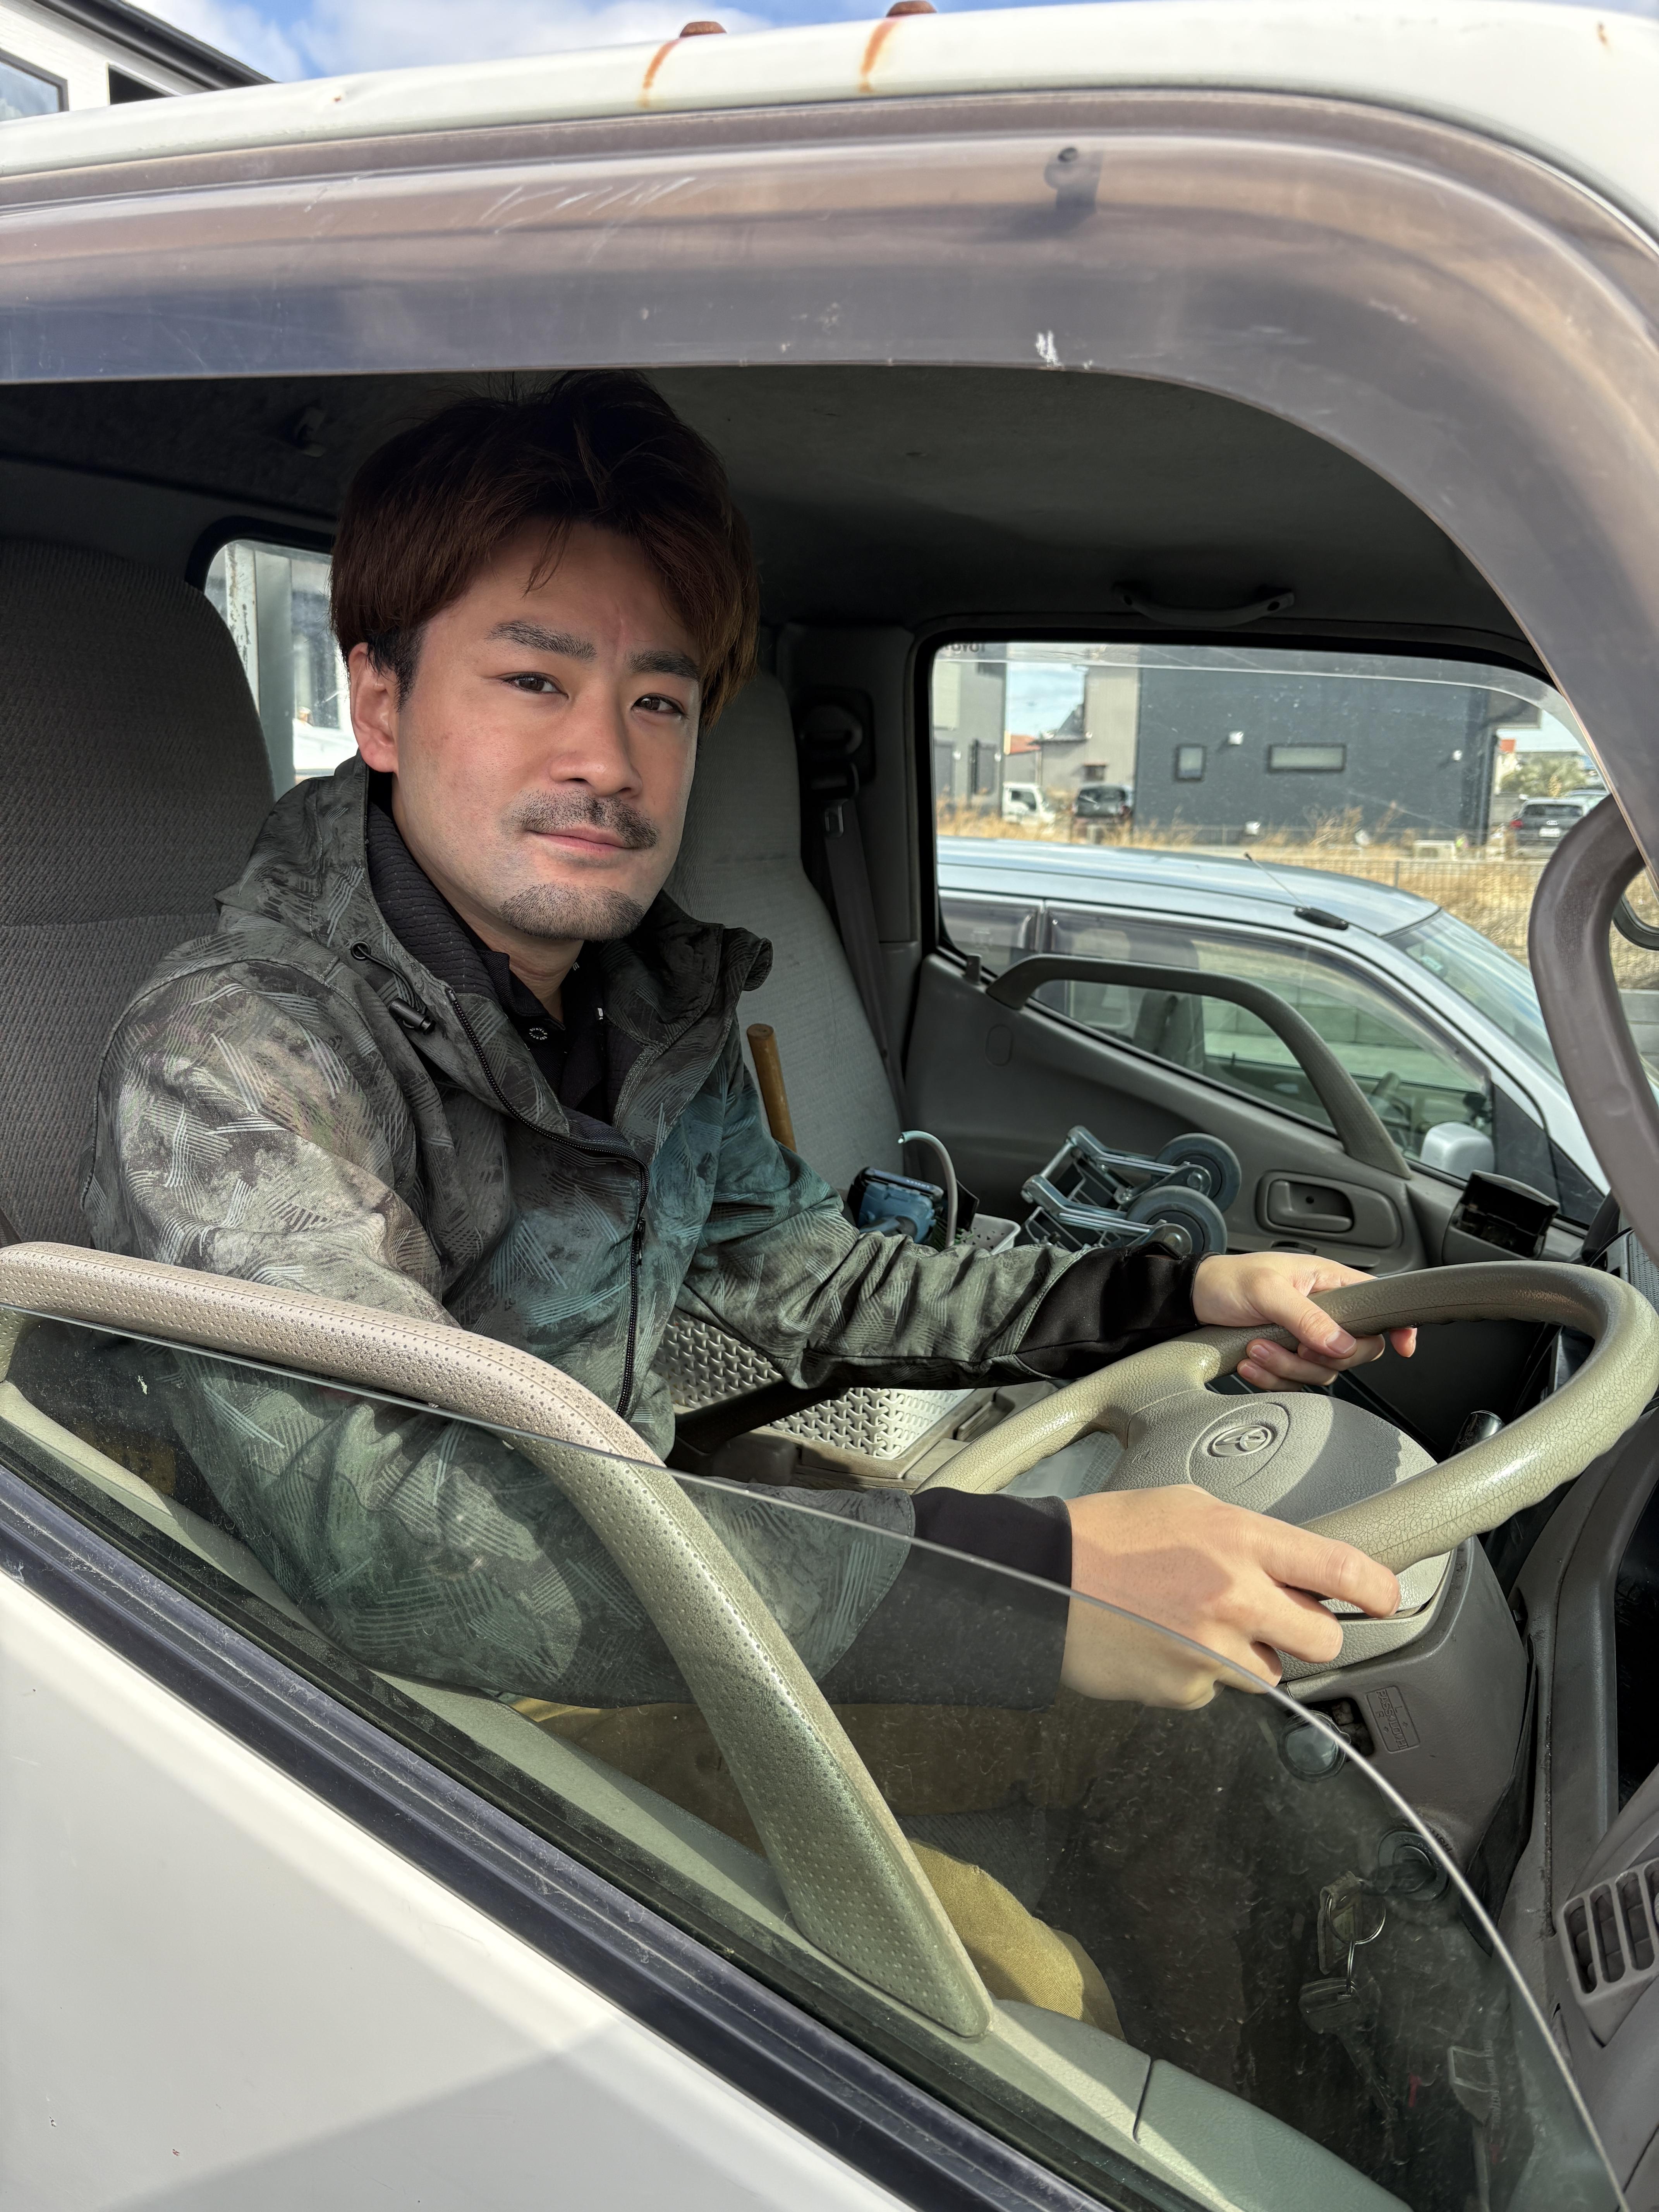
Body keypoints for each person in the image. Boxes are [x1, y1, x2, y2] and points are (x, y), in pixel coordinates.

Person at [83, 372, 1410, 1721]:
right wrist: (1032, 1587)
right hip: (355, 1721)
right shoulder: (231, 1061)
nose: (607, 758)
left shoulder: (647, 1007)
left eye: (658, 703)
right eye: (534, 679)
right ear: (379, 704)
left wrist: (1170, 1296)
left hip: (653, 1583)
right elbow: (389, 1547)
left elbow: (810, 1277)